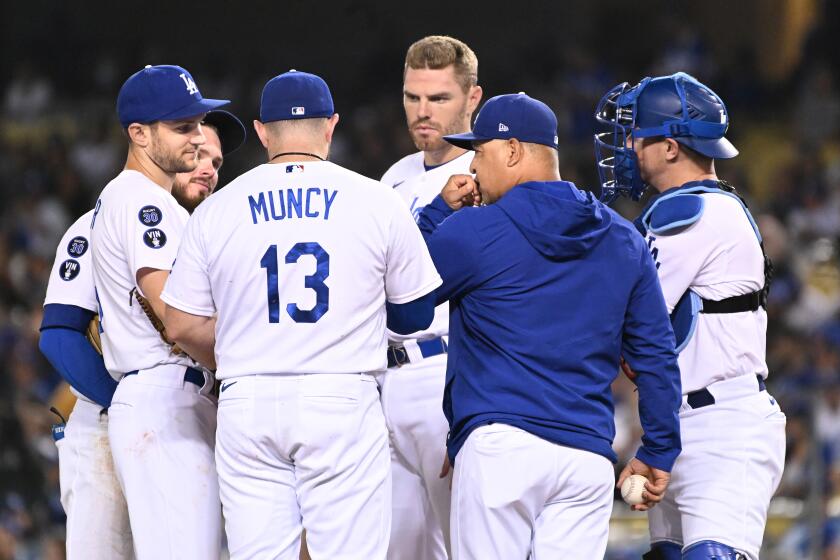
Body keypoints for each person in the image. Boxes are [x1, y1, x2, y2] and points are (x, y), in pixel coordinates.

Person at [160, 69, 442, 560]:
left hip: (246, 398)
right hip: (340, 396)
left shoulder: (217, 208)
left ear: (263, 131)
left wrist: (240, 350)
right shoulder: (377, 199)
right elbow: (416, 313)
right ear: (331, 126)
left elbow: (180, 324)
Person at [416, 92, 683, 559]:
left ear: (513, 151)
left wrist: (436, 215)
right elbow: (656, 357)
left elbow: (406, 309)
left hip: (500, 447)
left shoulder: (472, 230)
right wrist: (658, 449)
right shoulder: (623, 238)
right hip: (586, 460)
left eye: (480, 151)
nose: (473, 166)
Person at [593, 72, 786, 560]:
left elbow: (615, 316)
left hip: (722, 425)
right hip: (679, 422)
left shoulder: (693, 214)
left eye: (639, 133)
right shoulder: (691, 209)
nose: (629, 145)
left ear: (672, 147)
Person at [38, 107, 245, 560]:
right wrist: (126, 399)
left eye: (217, 162)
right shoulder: (100, 223)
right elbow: (59, 334)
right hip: (105, 414)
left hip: (188, 408)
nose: (206, 167)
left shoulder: (205, 233)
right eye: (198, 154)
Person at [89, 64, 233, 560]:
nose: (196, 138)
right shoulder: (139, 200)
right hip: (163, 394)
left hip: (175, 396)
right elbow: (173, 315)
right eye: (182, 127)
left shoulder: (156, 201)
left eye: (198, 124)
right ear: (139, 133)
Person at [378, 35, 482, 559]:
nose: (423, 112)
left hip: (447, 374)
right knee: (396, 549)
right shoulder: (394, 177)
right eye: (412, 97)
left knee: (464, 544)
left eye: (438, 98)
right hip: (385, 379)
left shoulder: (484, 173)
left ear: (472, 99)